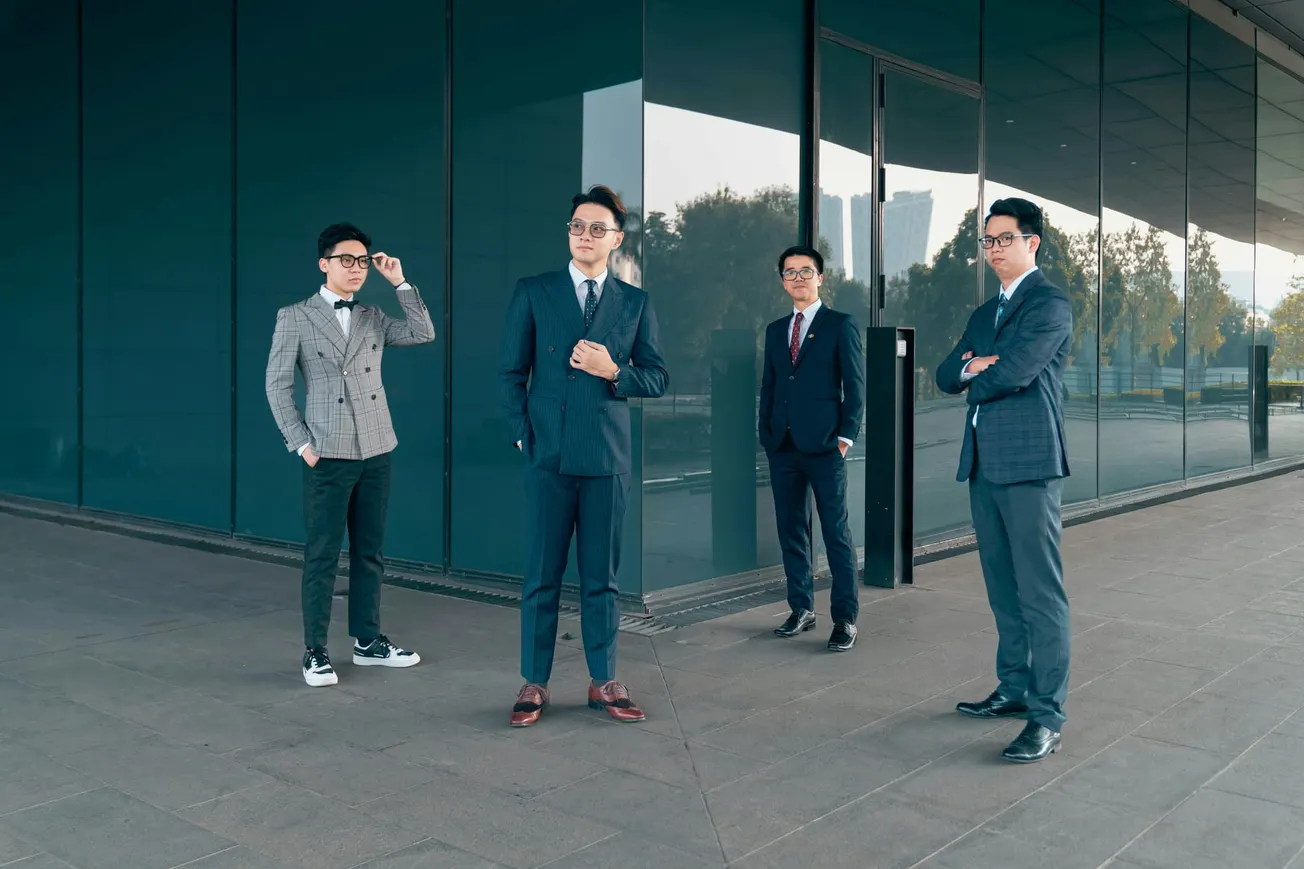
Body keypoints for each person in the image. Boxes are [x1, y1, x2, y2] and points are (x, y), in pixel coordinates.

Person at [499, 185, 669, 727]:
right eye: (577, 226)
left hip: (606, 457)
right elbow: (510, 372)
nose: (585, 236)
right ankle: (534, 681)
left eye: (597, 228)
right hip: (548, 455)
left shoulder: (633, 302)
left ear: (617, 239)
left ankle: (604, 678)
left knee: (602, 577)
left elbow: (659, 377)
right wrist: (524, 434)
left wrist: (613, 371)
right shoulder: (534, 291)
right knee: (541, 575)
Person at [265, 222, 435, 688]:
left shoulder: (373, 315)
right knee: (322, 553)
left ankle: (367, 641)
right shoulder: (294, 317)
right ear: (324, 263)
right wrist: (301, 443)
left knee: (370, 552)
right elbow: (276, 386)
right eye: (347, 260)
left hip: (377, 447)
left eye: (363, 261)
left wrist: (399, 281)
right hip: (327, 451)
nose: (357, 269)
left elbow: (423, 332)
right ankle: (315, 651)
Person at [935, 197, 1072, 763]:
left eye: (1004, 239)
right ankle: (1012, 688)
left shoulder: (1049, 304)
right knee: (1002, 589)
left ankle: (1047, 716)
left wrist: (983, 367)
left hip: (1030, 465)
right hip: (985, 465)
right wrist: (973, 366)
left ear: (1031, 242)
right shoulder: (984, 312)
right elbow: (945, 374)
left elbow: (1016, 372)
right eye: (988, 241)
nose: (994, 249)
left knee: (1041, 594)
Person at [759, 245, 866, 652]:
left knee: (835, 533)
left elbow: (855, 387)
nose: (799, 278)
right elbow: (770, 387)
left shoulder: (840, 325)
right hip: (782, 446)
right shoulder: (774, 331)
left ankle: (845, 620)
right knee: (792, 531)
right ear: (783, 281)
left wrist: (845, 438)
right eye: (790, 272)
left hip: (824, 447)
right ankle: (801, 609)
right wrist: (766, 433)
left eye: (806, 271)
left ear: (820, 278)